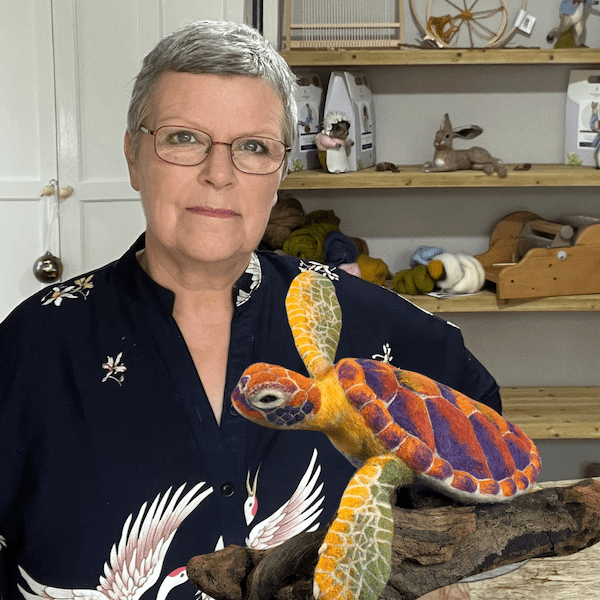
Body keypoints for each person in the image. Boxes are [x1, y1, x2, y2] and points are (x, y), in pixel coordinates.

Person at [0, 20, 501, 600]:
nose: (219, 173)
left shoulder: (366, 323)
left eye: (253, 147)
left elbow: (479, 439)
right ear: (135, 157)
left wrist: (438, 570)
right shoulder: (33, 346)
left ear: (280, 172)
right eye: (183, 138)